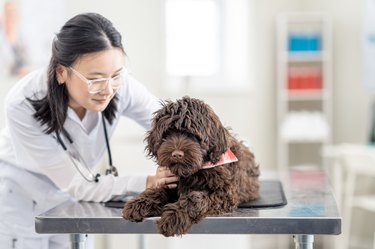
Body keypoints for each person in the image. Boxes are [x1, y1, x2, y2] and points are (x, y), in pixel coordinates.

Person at [0, 12, 178, 249]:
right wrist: (148, 181)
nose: (108, 89)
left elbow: (170, 124)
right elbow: (77, 182)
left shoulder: (120, 86)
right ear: (61, 72)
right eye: (95, 79)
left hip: (76, 199)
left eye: (115, 75)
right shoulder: (23, 104)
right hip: (22, 199)